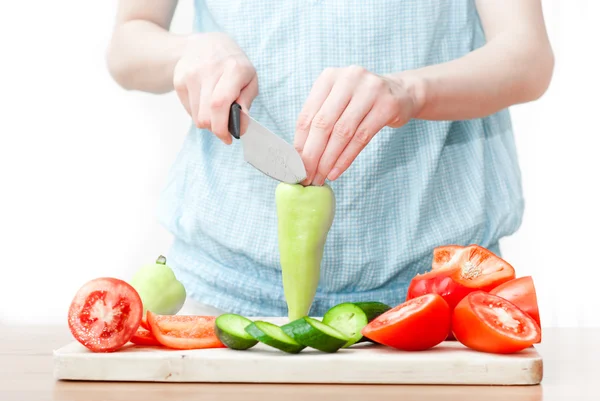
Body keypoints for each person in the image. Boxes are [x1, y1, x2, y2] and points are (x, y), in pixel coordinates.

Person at [106, 0, 554, 317]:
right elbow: (128, 41)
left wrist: (411, 91)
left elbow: (528, 57)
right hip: (221, 292)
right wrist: (187, 51)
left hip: (436, 298)